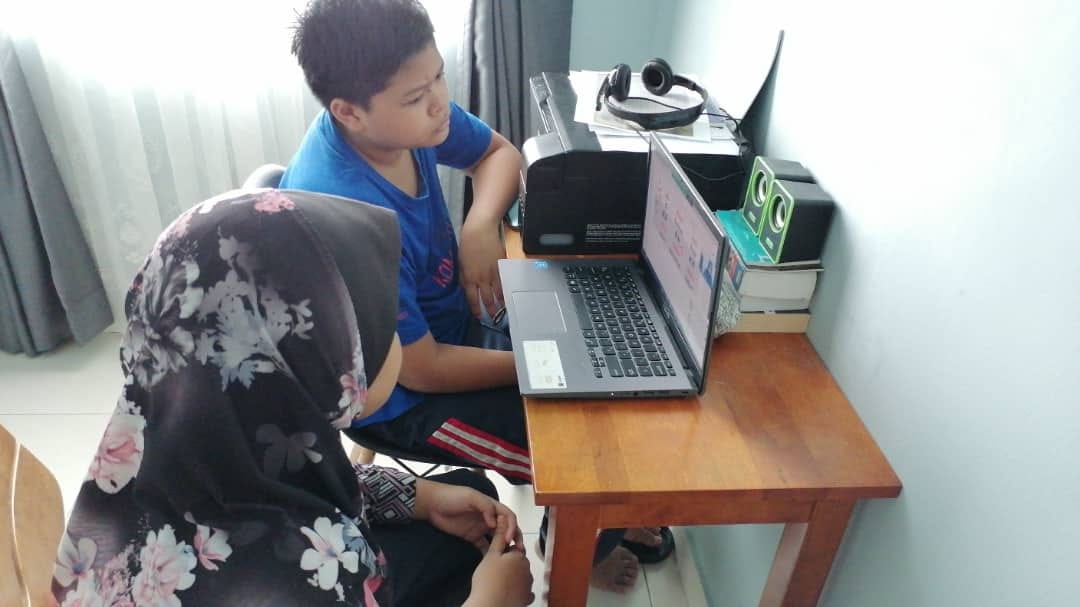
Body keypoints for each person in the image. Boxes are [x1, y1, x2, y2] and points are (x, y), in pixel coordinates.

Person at [279, 0, 673, 590]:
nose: (439, 101)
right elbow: (424, 369)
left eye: (439, 76)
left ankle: (600, 515)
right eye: (418, 95)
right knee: (587, 459)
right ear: (349, 112)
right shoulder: (349, 215)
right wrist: (542, 366)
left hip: (452, 325)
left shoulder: (408, 123)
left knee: (599, 356)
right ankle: (583, 547)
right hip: (405, 398)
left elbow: (498, 153)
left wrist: (479, 224)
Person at [51, 189, 533, 607]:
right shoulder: (304, 586)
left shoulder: (166, 425)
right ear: (318, 362)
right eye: (384, 323)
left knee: (463, 508)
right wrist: (492, 602)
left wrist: (420, 498)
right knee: (472, 555)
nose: (399, 337)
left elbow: (283, 480)